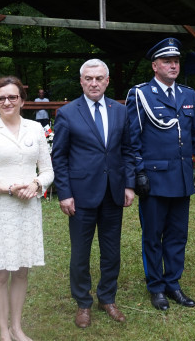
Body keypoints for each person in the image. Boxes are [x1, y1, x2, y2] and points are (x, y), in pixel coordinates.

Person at [0, 76, 54, 341]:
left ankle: (17, 327)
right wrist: (8, 188)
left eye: (12, 97)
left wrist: (37, 184)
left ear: (22, 101)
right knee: (1, 273)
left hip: (27, 209)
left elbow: (48, 170)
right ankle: (4, 332)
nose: (7, 102)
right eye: (1, 98)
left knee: (22, 270)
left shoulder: (35, 129)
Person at [125, 37, 195, 311]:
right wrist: (138, 172)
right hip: (154, 178)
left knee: (177, 235)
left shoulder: (187, 94)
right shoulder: (140, 94)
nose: (173, 66)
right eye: (167, 61)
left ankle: (173, 283)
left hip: (182, 177)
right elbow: (132, 138)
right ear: (155, 66)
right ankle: (156, 287)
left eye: (176, 61)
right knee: (153, 235)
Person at [51, 59, 135, 328]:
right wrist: (64, 193)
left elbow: (128, 151)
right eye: (89, 78)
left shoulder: (120, 111)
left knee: (111, 251)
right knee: (80, 253)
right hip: (81, 195)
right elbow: (59, 157)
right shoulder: (67, 113)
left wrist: (129, 185)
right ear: (81, 81)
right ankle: (83, 303)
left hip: (113, 193)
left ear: (107, 81)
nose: (94, 83)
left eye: (99, 78)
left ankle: (107, 298)